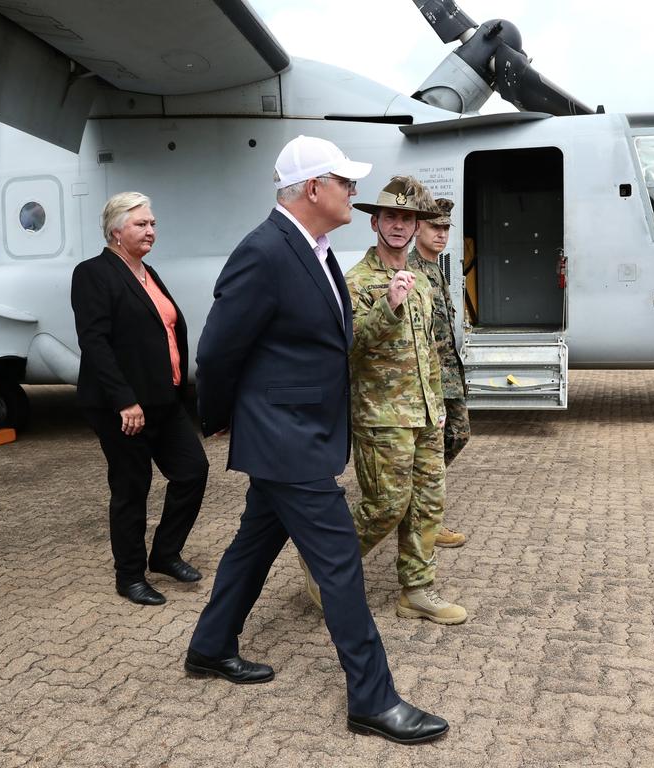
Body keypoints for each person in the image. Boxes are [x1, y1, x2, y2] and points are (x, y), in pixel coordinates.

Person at [185, 136, 448, 745]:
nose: (354, 192)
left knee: (253, 546)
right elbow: (219, 348)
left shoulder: (318, 248)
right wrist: (219, 416)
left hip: (302, 432)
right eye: (345, 183)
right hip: (284, 437)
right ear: (312, 189)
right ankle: (373, 699)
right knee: (339, 565)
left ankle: (210, 646)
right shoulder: (265, 251)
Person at [71, 191, 209, 606]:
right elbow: (94, 342)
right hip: (125, 407)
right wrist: (124, 400)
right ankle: (128, 575)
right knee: (132, 487)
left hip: (163, 401)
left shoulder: (147, 273)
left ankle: (165, 553)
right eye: (141, 224)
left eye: (152, 224)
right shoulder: (93, 273)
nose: (151, 230)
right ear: (116, 231)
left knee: (192, 471)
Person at [345, 176, 468, 626]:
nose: (399, 225)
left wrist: (437, 407)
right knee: (386, 505)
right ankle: (326, 564)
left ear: (417, 226)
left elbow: (431, 352)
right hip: (381, 417)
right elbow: (346, 345)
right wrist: (388, 306)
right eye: (391, 217)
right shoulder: (357, 281)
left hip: (423, 413)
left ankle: (416, 591)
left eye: (407, 218)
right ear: (375, 222)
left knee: (427, 504)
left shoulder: (422, 280)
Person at [408, 193, 469, 548]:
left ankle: (420, 509)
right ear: (418, 229)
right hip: (431, 381)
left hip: (448, 376)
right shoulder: (413, 271)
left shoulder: (437, 268)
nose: (442, 234)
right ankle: (424, 518)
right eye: (435, 227)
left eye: (446, 228)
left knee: (457, 436)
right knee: (434, 450)